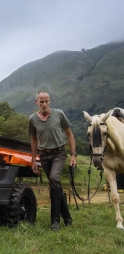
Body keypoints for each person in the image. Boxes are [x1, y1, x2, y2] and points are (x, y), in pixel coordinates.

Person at [28, 90, 77, 231]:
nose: (44, 104)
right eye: (41, 101)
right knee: (56, 185)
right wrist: (33, 160)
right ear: (36, 102)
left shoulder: (59, 114)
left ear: (49, 101)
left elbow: (69, 134)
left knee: (54, 179)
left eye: (46, 101)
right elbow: (33, 140)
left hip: (59, 153)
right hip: (44, 155)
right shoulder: (32, 119)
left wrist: (73, 155)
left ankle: (55, 221)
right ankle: (67, 217)